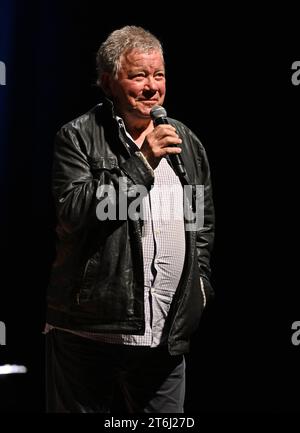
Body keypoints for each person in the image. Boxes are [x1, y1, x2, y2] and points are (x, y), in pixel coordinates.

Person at [45, 25, 215, 413]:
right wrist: (142, 162)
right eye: (139, 76)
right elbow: (75, 212)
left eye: (159, 75)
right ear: (108, 83)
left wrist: (199, 288)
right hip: (91, 333)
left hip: (166, 333)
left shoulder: (187, 142)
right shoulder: (79, 136)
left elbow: (201, 223)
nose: (153, 87)